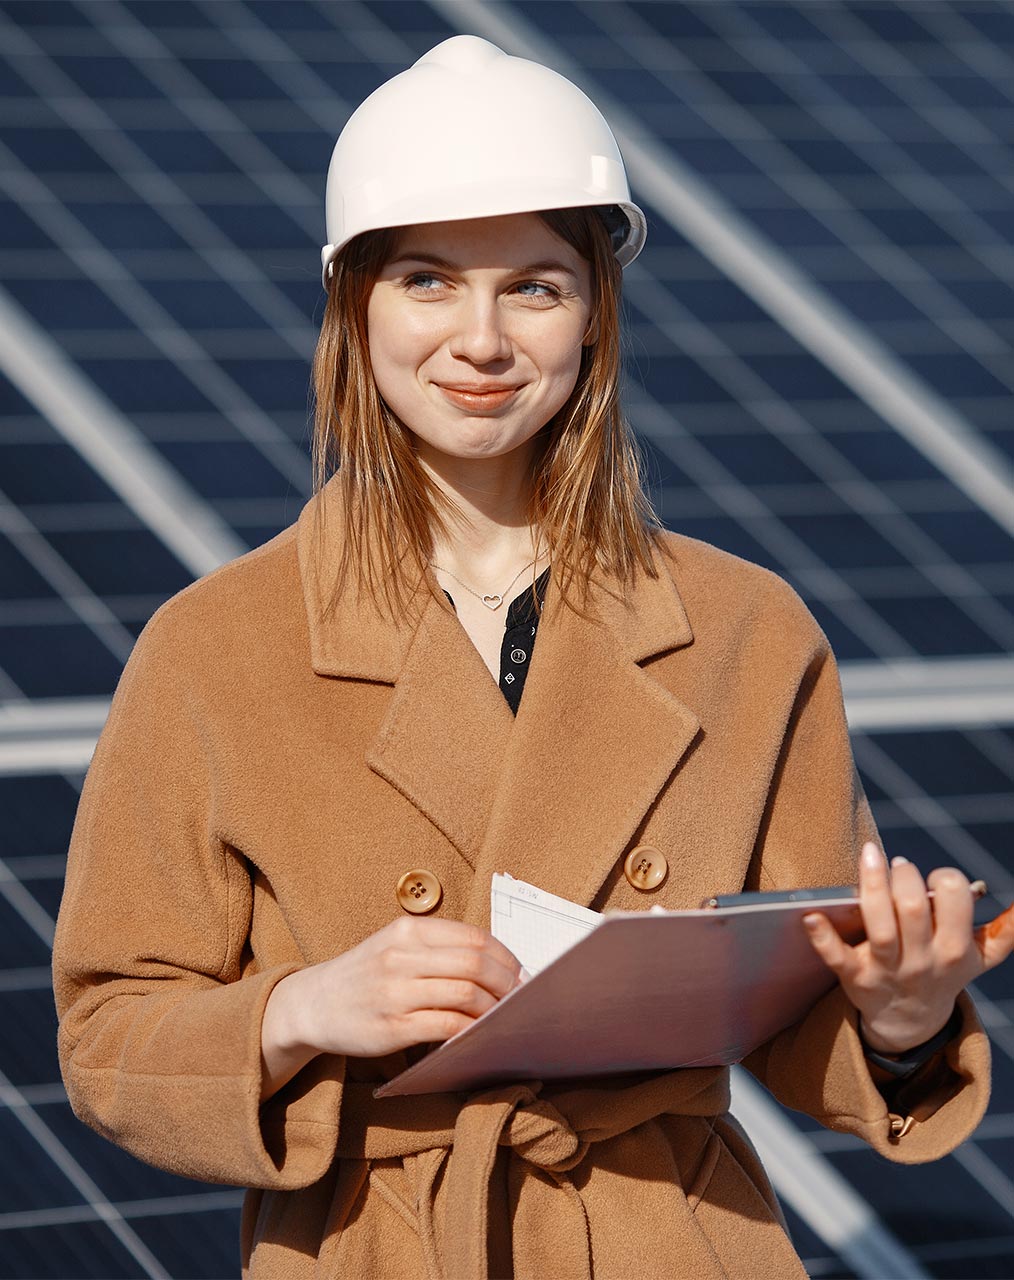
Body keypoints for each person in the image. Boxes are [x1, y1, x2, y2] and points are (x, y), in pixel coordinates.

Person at [52, 35, 1012, 1280]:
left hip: (674, 1238)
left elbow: (804, 997)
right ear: (356, 301)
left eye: (537, 286)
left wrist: (900, 1020)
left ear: (594, 311)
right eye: (429, 281)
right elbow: (110, 1033)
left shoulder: (744, 630)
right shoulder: (213, 646)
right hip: (376, 1244)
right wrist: (300, 1009)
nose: (483, 338)